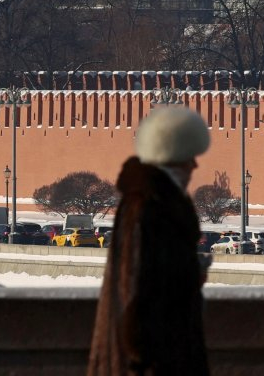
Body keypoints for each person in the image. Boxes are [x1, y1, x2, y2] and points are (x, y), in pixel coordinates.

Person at [87, 106, 211, 376]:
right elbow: (137, 290)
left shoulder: (156, 202)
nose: (195, 165)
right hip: (154, 363)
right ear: (172, 158)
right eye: (188, 157)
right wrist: (145, 362)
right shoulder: (147, 206)